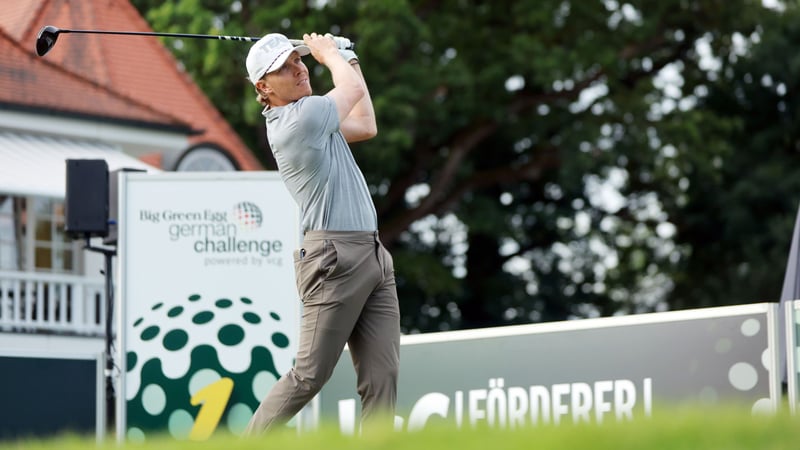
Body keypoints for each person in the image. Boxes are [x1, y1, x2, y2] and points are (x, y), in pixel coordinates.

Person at [242, 32, 401, 435]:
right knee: (309, 375)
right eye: (284, 68)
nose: (299, 68)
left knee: (382, 376)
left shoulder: (316, 118)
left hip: (372, 253)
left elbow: (365, 124)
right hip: (333, 259)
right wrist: (332, 54)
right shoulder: (300, 120)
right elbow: (349, 88)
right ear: (264, 87)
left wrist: (349, 56)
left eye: (299, 60)